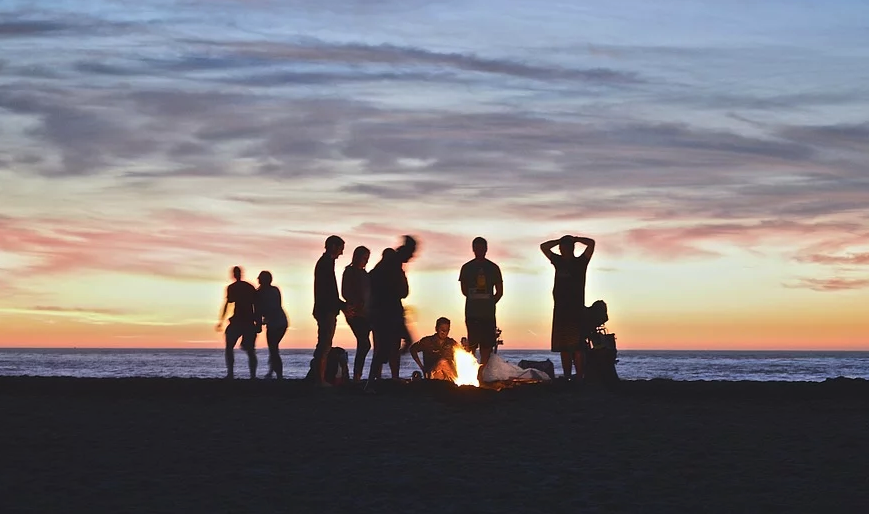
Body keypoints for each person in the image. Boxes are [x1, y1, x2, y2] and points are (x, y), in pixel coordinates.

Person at [540, 234, 595, 380]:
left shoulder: (581, 262)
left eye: (565, 247)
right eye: (561, 247)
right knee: (563, 347)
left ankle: (579, 376)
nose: (562, 249)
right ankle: (567, 376)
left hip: (576, 310)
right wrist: (559, 240)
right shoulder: (558, 261)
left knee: (577, 347)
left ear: (571, 248)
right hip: (560, 310)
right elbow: (543, 247)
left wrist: (575, 238)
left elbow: (591, 243)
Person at [368, 236, 417, 383]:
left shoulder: (389, 266)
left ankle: (380, 378)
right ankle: (373, 381)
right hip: (387, 312)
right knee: (385, 349)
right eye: (412, 253)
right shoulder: (392, 264)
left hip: (388, 311)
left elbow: (402, 291)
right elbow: (402, 291)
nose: (413, 257)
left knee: (389, 347)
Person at [458, 237, 503, 366]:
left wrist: (489, 303)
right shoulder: (466, 267)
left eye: (482, 248)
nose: (479, 251)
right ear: (473, 249)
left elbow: (499, 292)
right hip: (472, 313)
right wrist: (477, 299)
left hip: (487, 313)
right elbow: (464, 290)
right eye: (477, 248)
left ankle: (482, 371)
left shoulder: (493, 268)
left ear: (486, 249)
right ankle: (471, 369)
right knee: (472, 343)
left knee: (487, 344)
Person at [312, 235, 348, 386]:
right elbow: (329, 291)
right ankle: (319, 380)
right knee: (325, 344)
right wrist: (342, 305)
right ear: (333, 247)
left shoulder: (326, 263)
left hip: (325, 308)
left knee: (324, 343)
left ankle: (317, 377)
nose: (341, 253)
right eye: (341, 249)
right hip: (326, 309)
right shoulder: (326, 263)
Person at [215, 266, 259, 379]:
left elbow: (256, 305)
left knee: (244, 349)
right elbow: (256, 305)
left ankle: (235, 374)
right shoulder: (246, 287)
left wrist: (221, 320)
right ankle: (237, 374)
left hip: (244, 320)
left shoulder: (238, 287)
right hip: (243, 320)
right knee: (242, 349)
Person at [342, 246, 372, 381]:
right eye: (363, 258)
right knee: (364, 343)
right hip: (355, 313)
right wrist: (356, 303)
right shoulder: (350, 271)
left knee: (364, 343)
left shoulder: (366, 275)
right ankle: (357, 375)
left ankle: (358, 375)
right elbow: (345, 292)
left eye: (367, 259)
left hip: (367, 313)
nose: (365, 261)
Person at [257, 270, 288, 379]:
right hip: (281, 322)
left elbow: (259, 310)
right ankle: (272, 372)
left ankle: (278, 374)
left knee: (273, 349)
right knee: (273, 348)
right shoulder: (274, 290)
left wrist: (259, 324)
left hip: (276, 323)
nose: (258, 280)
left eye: (260, 278)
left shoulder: (261, 293)